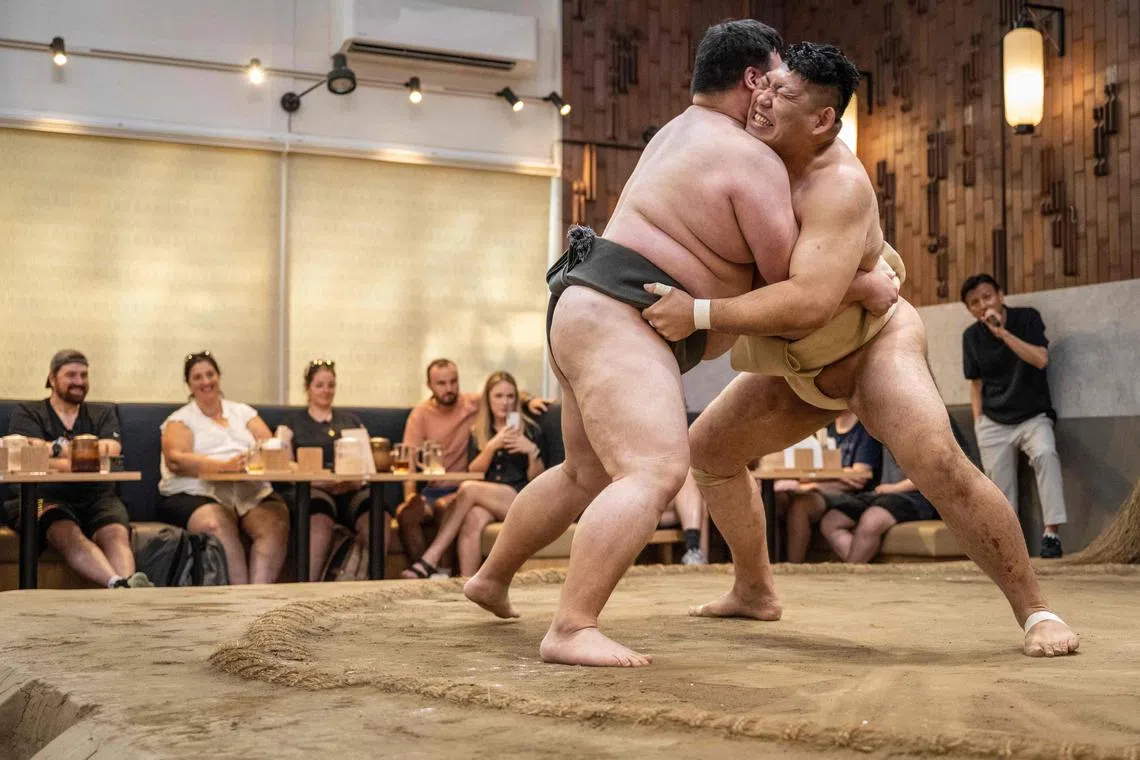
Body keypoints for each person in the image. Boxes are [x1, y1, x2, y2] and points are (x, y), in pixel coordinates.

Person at [464, 21, 897, 667]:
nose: (776, 97)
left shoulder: (677, 131)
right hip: (621, 316)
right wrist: (864, 281)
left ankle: (491, 578)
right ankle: (573, 627)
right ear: (753, 81)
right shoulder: (746, 156)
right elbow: (791, 283)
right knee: (656, 471)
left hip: (583, 304)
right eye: (774, 81)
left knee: (585, 473)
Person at [642, 40, 1078, 657]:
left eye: (784, 94)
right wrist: (859, 280)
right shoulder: (738, 145)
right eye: (766, 86)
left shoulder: (838, 183)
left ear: (822, 121)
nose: (763, 99)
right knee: (708, 451)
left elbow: (808, 300)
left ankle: (1037, 610)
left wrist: (701, 313)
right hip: (799, 365)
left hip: (873, 345)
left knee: (937, 461)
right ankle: (754, 589)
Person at [4, 349, 151, 588]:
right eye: (71, 375)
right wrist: (83, 453)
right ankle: (118, 585)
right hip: (41, 497)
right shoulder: (29, 412)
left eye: (84, 375)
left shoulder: (101, 413)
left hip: (96, 494)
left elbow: (111, 450)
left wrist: (53, 449)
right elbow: (28, 454)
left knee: (115, 533)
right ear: (52, 379)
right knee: (66, 531)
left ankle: (127, 591)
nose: (79, 382)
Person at [393, 358, 550, 566]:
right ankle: (467, 587)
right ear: (429, 385)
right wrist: (492, 445)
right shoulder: (479, 430)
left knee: (464, 491)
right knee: (471, 519)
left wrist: (531, 446)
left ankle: (430, 560)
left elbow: (537, 481)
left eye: (453, 381)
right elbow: (472, 468)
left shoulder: (527, 428)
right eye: (499, 397)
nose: (504, 402)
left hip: (509, 494)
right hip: (468, 493)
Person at [158, 352, 290, 584]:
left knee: (275, 521)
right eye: (197, 377)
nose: (206, 381)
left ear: (219, 377)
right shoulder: (180, 419)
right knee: (217, 524)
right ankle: (238, 601)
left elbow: (269, 446)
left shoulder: (243, 412)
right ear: (189, 384)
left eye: (210, 374)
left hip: (247, 489)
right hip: (197, 491)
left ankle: (258, 599)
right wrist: (223, 466)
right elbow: (176, 460)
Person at [961, 273, 1067, 558]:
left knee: (1045, 453)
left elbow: (1041, 360)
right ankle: (1011, 547)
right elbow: (976, 384)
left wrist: (1002, 334)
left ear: (1000, 296)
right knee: (998, 488)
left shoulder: (1027, 319)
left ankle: (1051, 535)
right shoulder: (971, 337)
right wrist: (979, 422)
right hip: (994, 420)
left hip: (1033, 415)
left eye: (987, 297)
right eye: (974, 303)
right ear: (969, 310)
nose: (982, 305)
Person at [819, 415, 971, 563]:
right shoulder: (878, 419)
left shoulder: (933, 418)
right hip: (882, 493)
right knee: (831, 521)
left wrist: (895, 488)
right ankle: (862, 570)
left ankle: (851, 577)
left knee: (872, 521)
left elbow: (940, 472)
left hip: (920, 494)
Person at [278, 360, 370, 581]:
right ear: (308, 388)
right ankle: (309, 586)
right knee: (319, 514)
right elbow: (282, 465)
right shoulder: (290, 424)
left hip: (351, 488)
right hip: (311, 489)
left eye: (331, 385)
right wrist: (319, 480)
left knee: (376, 514)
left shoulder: (352, 422)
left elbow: (368, 466)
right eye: (320, 385)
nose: (326, 391)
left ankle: (364, 579)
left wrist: (352, 481)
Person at [783, 410, 880, 563]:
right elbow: (806, 472)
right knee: (782, 499)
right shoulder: (825, 429)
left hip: (857, 496)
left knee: (801, 506)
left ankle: (794, 567)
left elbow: (859, 478)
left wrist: (817, 482)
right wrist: (840, 474)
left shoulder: (865, 429)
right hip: (824, 490)